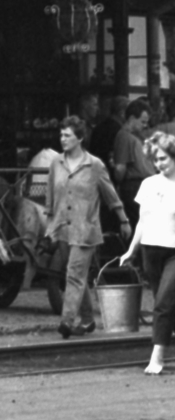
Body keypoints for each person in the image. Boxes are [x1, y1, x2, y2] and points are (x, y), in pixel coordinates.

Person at [45, 113, 129, 340]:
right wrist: (49, 229)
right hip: (63, 228)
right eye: (61, 135)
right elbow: (50, 199)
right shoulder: (56, 163)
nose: (62, 139)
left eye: (67, 135)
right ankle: (88, 319)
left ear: (80, 138)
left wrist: (123, 220)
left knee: (74, 274)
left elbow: (110, 194)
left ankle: (66, 320)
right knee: (75, 274)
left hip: (86, 229)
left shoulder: (95, 165)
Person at [122, 132, 175, 375]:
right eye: (156, 160)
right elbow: (142, 222)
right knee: (163, 302)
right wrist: (131, 250)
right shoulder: (149, 184)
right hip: (151, 251)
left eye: (163, 159)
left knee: (163, 303)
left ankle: (157, 357)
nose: (160, 164)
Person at [112, 99, 156, 222]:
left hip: (142, 185)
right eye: (142, 122)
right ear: (131, 118)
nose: (145, 125)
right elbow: (120, 169)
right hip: (134, 187)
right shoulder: (124, 136)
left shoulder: (133, 137)